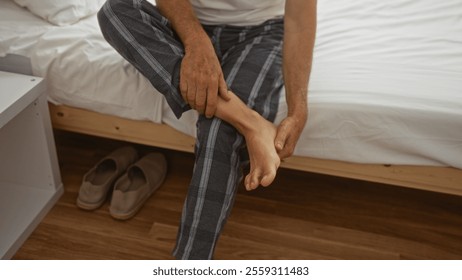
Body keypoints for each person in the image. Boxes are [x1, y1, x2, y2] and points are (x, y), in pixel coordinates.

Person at [97, 0, 316, 259]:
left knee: (218, 131)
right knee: (114, 10)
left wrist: (298, 111)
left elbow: (299, 22)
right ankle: (249, 121)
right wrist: (196, 41)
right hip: (187, 23)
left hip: (262, 32)